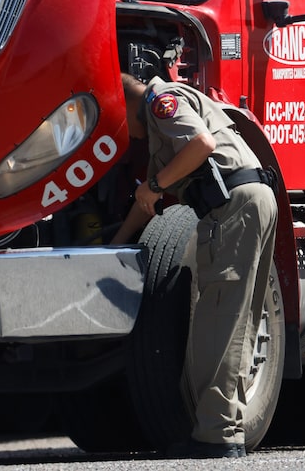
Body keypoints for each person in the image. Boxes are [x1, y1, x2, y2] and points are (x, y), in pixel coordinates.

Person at [120, 72, 278, 458]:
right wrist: (116, 243)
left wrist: (155, 185)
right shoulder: (164, 121)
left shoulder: (162, 103)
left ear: (124, 104)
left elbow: (200, 144)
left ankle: (217, 437)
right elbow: (147, 203)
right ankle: (226, 428)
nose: (127, 137)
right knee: (238, 325)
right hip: (254, 199)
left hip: (233, 208)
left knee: (218, 325)